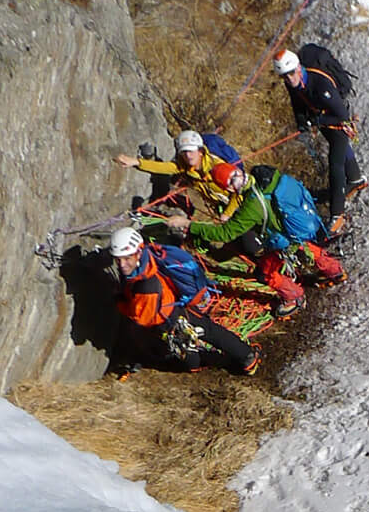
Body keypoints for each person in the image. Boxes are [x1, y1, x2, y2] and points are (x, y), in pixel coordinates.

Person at [108, 225, 259, 376]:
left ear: (138, 253)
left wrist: (120, 303)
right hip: (180, 307)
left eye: (127, 258)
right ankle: (246, 355)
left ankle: (240, 357)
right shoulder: (149, 257)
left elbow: (142, 319)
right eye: (118, 259)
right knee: (211, 331)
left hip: (169, 320)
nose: (122, 264)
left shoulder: (146, 286)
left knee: (191, 359)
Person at [162, 160, 307, 314]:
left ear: (229, 188)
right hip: (300, 224)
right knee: (307, 248)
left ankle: (294, 297)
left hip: (284, 240)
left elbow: (224, 233)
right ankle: (333, 270)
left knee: (265, 274)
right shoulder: (265, 179)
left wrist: (189, 224)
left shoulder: (252, 204)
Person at [275, 48, 365, 228]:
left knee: (335, 164)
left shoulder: (321, 84)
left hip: (337, 119)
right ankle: (356, 180)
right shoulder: (292, 83)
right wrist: (301, 122)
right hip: (321, 116)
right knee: (335, 145)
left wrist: (317, 121)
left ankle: (337, 214)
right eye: (285, 76)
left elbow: (341, 115)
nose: (289, 79)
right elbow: (297, 102)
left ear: (299, 69)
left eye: (292, 73)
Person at [114, 130, 223, 210]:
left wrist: (227, 214)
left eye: (191, 151)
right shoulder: (185, 167)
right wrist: (136, 162)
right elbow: (163, 167)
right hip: (219, 206)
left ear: (200, 151)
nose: (188, 156)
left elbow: (237, 192)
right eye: (184, 152)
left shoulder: (217, 166)